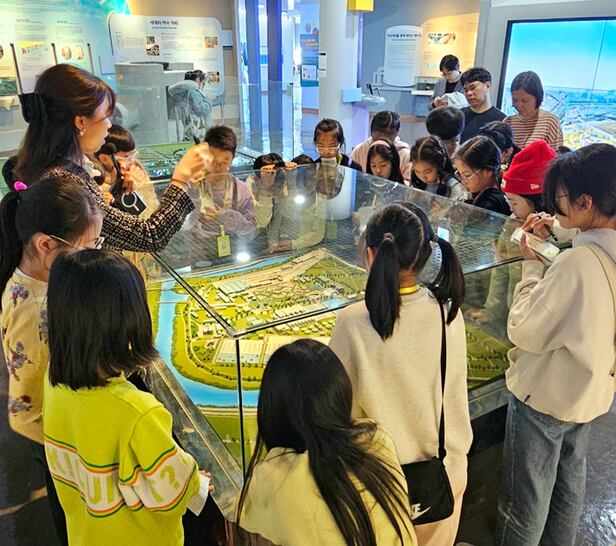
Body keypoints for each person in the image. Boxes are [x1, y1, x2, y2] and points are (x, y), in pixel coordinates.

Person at [44, 250, 212, 546]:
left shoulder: (52, 383)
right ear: (129, 320)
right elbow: (173, 495)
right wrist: (197, 482)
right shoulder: (139, 412)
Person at [329, 203, 472, 546]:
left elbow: (336, 407)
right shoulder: (448, 313)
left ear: (370, 254)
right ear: (424, 256)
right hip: (444, 474)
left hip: (379, 485)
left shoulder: (353, 322)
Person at [495, 143, 616, 546]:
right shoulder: (597, 249)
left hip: (545, 396)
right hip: (590, 390)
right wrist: (559, 230)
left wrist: (531, 266)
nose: (552, 205)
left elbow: (524, 328)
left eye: (560, 197)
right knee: (568, 484)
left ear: (585, 201)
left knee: (524, 501)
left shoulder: (578, 264)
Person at [0, 178, 102, 545]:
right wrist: (73, 446)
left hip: (64, 429)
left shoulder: (47, 281)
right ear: (46, 244)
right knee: (73, 516)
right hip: (54, 437)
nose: (94, 252)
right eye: (88, 245)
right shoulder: (31, 308)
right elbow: (27, 400)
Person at [236, 339, 417, 546]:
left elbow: (241, 514)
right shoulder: (377, 441)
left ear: (274, 413)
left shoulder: (274, 477)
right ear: (341, 395)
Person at [14, 64, 212, 253]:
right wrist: (181, 178)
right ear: (81, 121)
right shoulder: (64, 181)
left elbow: (108, 226)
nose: (109, 125)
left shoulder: (60, 169)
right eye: (105, 117)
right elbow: (151, 236)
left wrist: (118, 188)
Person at [504, 71, 563, 151]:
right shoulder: (508, 122)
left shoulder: (550, 122)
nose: (519, 105)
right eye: (515, 100)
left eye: (525, 101)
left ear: (537, 97)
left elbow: (558, 156)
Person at [454, 136, 511, 216]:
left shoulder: (491, 204)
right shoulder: (476, 193)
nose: (463, 181)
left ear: (488, 171)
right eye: (459, 174)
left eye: (467, 175)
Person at [351, 111, 412, 179]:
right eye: (378, 138)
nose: (382, 143)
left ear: (397, 132)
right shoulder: (359, 151)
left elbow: (408, 182)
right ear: (371, 132)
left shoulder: (406, 154)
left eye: (388, 138)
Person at [410, 136, 467, 200]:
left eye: (427, 172)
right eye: (417, 171)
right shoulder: (417, 183)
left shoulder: (455, 189)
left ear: (442, 162)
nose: (422, 177)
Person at [459, 67, 506, 143]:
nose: (469, 93)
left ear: (487, 86)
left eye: (473, 88)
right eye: (466, 90)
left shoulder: (501, 120)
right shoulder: (459, 115)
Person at [168, 69, 213, 140]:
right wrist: (209, 99)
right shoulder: (193, 92)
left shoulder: (181, 92)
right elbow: (202, 110)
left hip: (186, 127)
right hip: (197, 130)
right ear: (198, 80)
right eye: (202, 82)